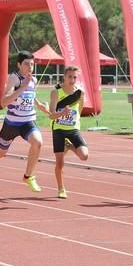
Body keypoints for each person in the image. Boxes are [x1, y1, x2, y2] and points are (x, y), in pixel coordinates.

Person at [0, 50, 53, 192]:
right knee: (0, 153)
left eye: (32, 64)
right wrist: (22, 87)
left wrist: (38, 105)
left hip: (27, 121)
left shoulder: (33, 79)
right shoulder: (14, 78)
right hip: (11, 124)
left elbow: (29, 95)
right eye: (26, 64)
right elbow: (3, 102)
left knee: (38, 142)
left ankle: (28, 176)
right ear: (19, 65)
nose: (30, 67)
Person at [49, 66, 89, 199]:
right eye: (70, 77)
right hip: (59, 130)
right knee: (60, 163)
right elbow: (51, 115)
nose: (72, 80)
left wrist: (74, 119)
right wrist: (62, 113)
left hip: (73, 130)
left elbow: (80, 109)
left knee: (84, 156)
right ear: (64, 77)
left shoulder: (80, 93)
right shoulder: (56, 92)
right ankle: (61, 188)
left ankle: (69, 146)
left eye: (75, 77)